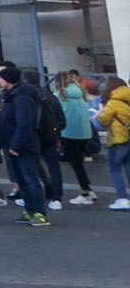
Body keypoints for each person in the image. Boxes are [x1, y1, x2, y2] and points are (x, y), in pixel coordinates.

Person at [0, 63, 50, 226]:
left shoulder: (22, 98)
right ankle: (30, 209)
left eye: (1, 77)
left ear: (8, 80)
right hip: (13, 144)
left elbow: (24, 124)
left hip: (23, 145)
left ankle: (40, 212)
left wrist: (15, 146)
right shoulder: (12, 96)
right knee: (21, 180)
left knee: (30, 178)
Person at [53, 71, 98, 206]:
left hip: (68, 132)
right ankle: (88, 188)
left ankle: (86, 191)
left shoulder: (59, 96)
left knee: (76, 163)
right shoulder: (80, 93)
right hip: (84, 133)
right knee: (78, 162)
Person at [96, 75, 130, 210]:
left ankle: (122, 198)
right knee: (128, 167)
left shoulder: (113, 101)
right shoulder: (128, 97)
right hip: (129, 137)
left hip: (118, 138)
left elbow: (103, 120)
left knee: (115, 169)